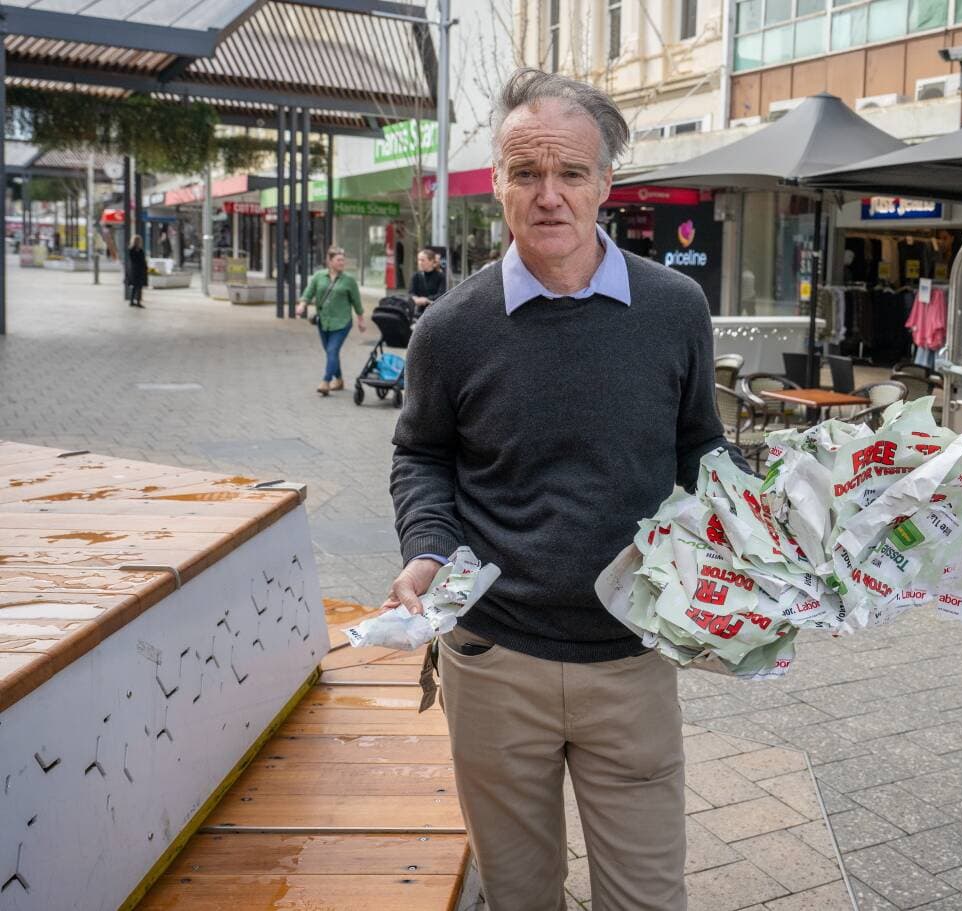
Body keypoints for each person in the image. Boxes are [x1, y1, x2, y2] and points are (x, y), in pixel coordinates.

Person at [386, 69, 747, 910]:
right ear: (498, 185)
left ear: (606, 183)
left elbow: (700, 445)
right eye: (525, 173)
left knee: (648, 897)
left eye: (571, 173)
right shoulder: (451, 327)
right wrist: (427, 547)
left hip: (633, 656)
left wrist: (747, 547)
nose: (549, 195)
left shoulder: (674, 307)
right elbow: (421, 455)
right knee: (519, 896)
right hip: (491, 657)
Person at [298, 246, 365, 396]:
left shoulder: (349, 280)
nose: (342, 263)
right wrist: (302, 304)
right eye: (339, 260)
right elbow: (308, 293)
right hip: (324, 322)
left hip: (342, 322)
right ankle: (339, 380)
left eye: (343, 260)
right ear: (329, 261)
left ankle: (325, 381)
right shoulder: (319, 277)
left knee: (332, 350)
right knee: (331, 353)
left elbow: (357, 302)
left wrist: (361, 320)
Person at [408, 248, 447, 312]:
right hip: (417, 311)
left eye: (423, 260)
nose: (420, 262)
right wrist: (416, 299)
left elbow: (441, 294)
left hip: (434, 310)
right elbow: (411, 292)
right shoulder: (416, 276)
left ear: (431, 261)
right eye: (419, 260)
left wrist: (426, 299)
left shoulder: (440, 276)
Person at [126, 235, 148, 309]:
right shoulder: (131, 250)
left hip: (141, 271)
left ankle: (138, 301)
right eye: (136, 241)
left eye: (139, 241)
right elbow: (133, 260)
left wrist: (145, 268)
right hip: (135, 270)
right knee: (135, 286)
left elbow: (143, 260)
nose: (138, 242)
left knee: (140, 287)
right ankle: (132, 301)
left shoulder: (141, 250)